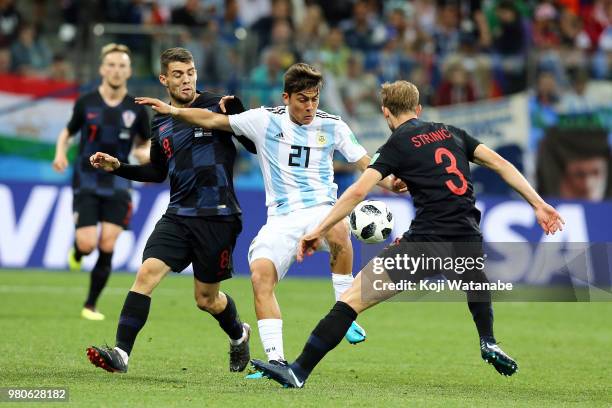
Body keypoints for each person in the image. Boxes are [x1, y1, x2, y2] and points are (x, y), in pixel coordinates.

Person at [250, 80, 565, 387]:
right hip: (467, 238)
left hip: (425, 245)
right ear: (418, 108)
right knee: (473, 277)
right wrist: (538, 204)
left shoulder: (397, 143)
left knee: (350, 301)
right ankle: (489, 340)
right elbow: (500, 164)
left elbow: (358, 191)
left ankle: (299, 371)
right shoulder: (452, 133)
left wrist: (317, 229)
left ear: (386, 113)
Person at [135, 62, 406, 372]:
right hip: (281, 219)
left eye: (315, 98)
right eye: (303, 99)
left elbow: (364, 162)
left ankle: (343, 310)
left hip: (322, 210)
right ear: (286, 97)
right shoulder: (263, 120)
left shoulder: (333, 125)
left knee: (339, 227)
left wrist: (388, 182)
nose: (310, 106)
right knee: (260, 276)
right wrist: (174, 112)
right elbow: (212, 119)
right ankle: (276, 361)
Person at [86, 47, 256, 374]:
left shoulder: (216, 104)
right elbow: (157, 172)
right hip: (178, 215)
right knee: (146, 273)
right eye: (178, 74)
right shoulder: (160, 120)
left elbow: (252, 145)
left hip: (218, 215)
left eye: (190, 72)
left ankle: (239, 334)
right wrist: (118, 166)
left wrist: (239, 115)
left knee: (206, 299)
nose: (187, 79)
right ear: (164, 79)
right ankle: (121, 354)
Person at [52, 43, 151, 321]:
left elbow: (145, 143)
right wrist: (60, 153)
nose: (116, 70)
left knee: (108, 244)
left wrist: (143, 154)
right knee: (87, 245)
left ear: (129, 71)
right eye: (111, 65)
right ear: (102, 69)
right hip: (87, 179)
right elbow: (67, 133)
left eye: (122, 65)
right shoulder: (86, 102)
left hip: (119, 180)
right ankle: (77, 251)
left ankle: (90, 305)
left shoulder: (137, 108)